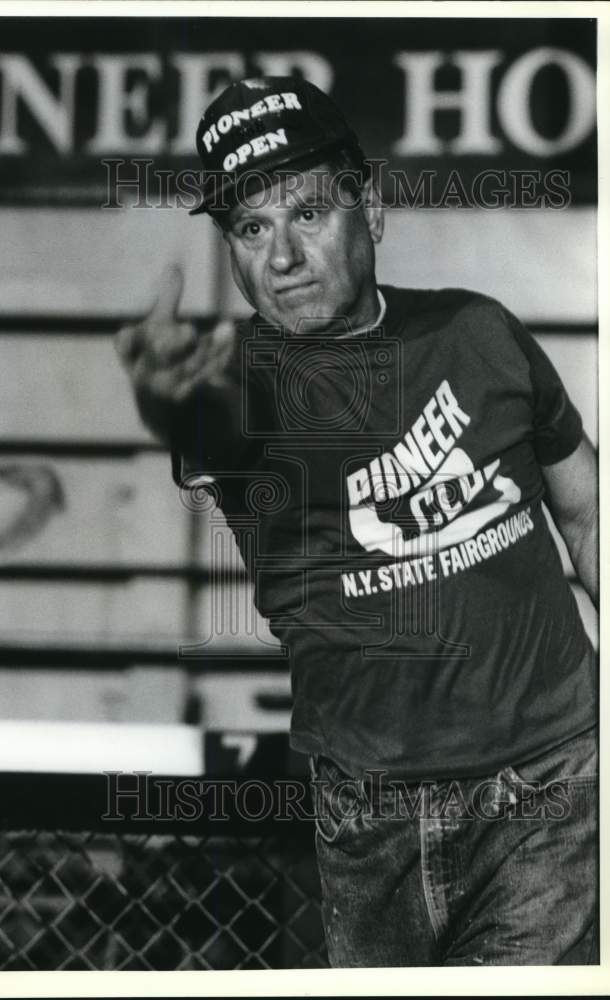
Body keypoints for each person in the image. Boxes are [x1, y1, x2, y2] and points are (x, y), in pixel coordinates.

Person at [115, 76, 598, 966]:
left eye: (308, 213)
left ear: (370, 210)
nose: (283, 257)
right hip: (369, 815)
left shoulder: (478, 333)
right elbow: (207, 421)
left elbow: (587, 509)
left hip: (548, 780)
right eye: (251, 229)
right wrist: (165, 400)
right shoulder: (238, 384)